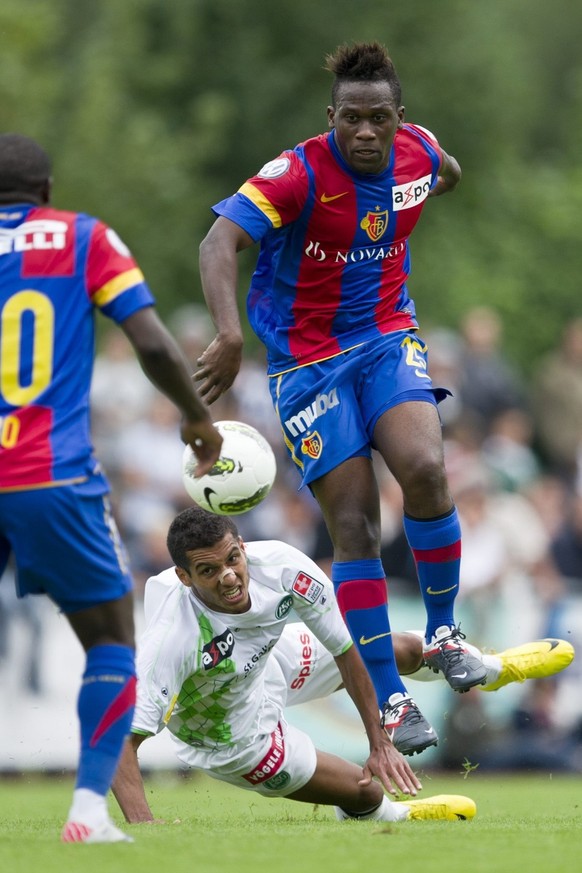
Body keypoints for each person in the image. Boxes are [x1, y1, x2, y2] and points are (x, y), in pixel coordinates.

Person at [195, 41, 482, 755]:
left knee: (425, 468)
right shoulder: (295, 174)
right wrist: (229, 334)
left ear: (398, 119)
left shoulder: (418, 153)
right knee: (354, 526)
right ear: (332, 117)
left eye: (377, 118)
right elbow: (217, 241)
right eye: (350, 118)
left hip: (386, 336)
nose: (363, 132)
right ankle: (389, 699)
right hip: (307, 363)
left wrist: (438, 180)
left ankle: (445, 632)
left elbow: (444, 171)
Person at [0, 134, 223, 844]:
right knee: (108, 641)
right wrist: (195, 416)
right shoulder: (81, 236)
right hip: (50, 475)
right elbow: (154, 342)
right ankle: (88, 812)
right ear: (47, 188)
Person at [111, 507, 574, 826]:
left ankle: (489, 670)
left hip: (268, 660)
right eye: (209, 571)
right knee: (365, 792)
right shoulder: (171, 640)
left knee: (399, 649)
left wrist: (380, 741)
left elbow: (348, 649)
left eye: (233, 558)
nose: (229, 575)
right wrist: (146, 829)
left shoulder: (285, 567)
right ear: (184, 577)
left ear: (242, 545)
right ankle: (394, 816)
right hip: (228, 732)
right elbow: (118, 744)